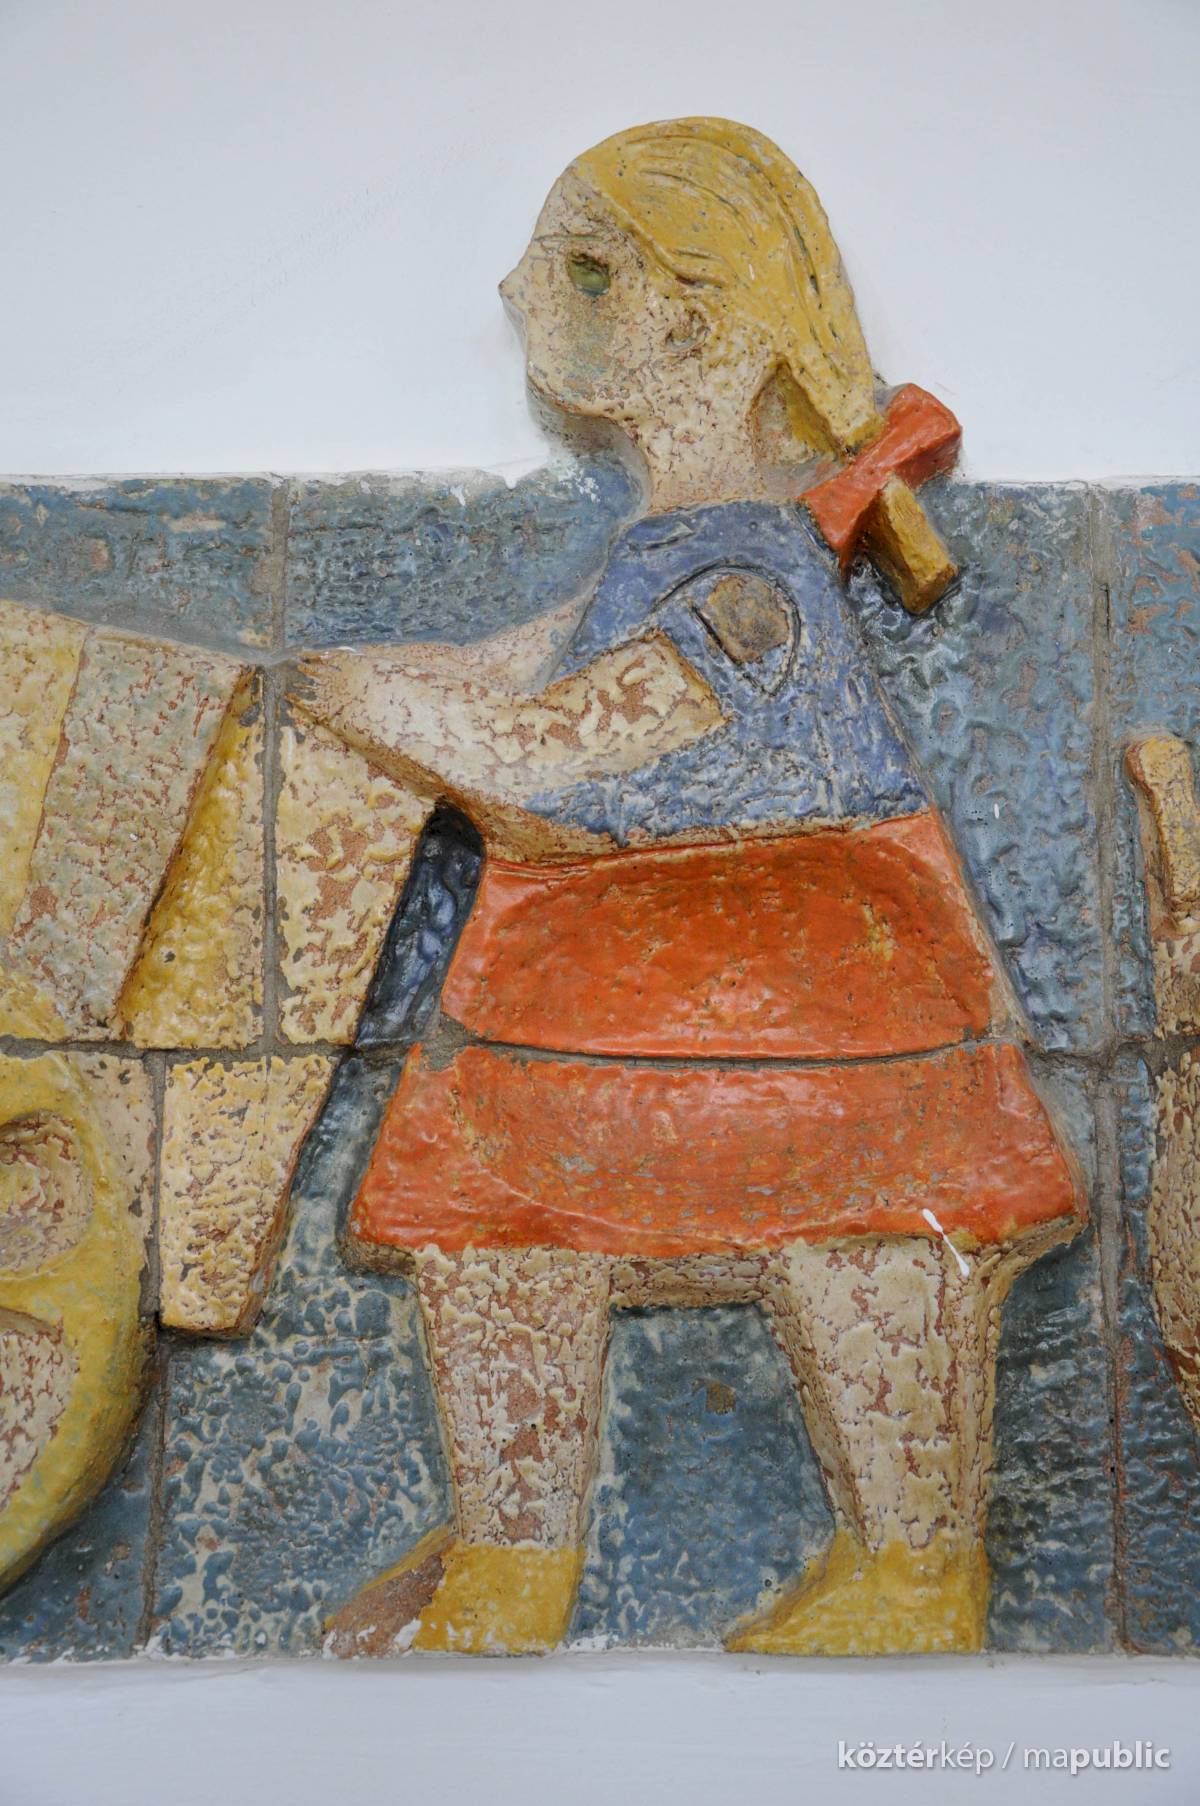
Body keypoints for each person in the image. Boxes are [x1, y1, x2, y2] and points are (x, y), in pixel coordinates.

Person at [307, 117, 1086, 1657]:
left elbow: (554, 756)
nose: (519, 290)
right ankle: (508, 1551)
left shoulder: (749, 583)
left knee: (869, 1237)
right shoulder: (675, 550)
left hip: (806, 988)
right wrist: (373, 677)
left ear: (695, 323)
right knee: (495, 1234)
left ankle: (915, 1566)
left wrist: (386, 706)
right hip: (590, 983)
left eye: (579, 266)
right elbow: (522, 665)